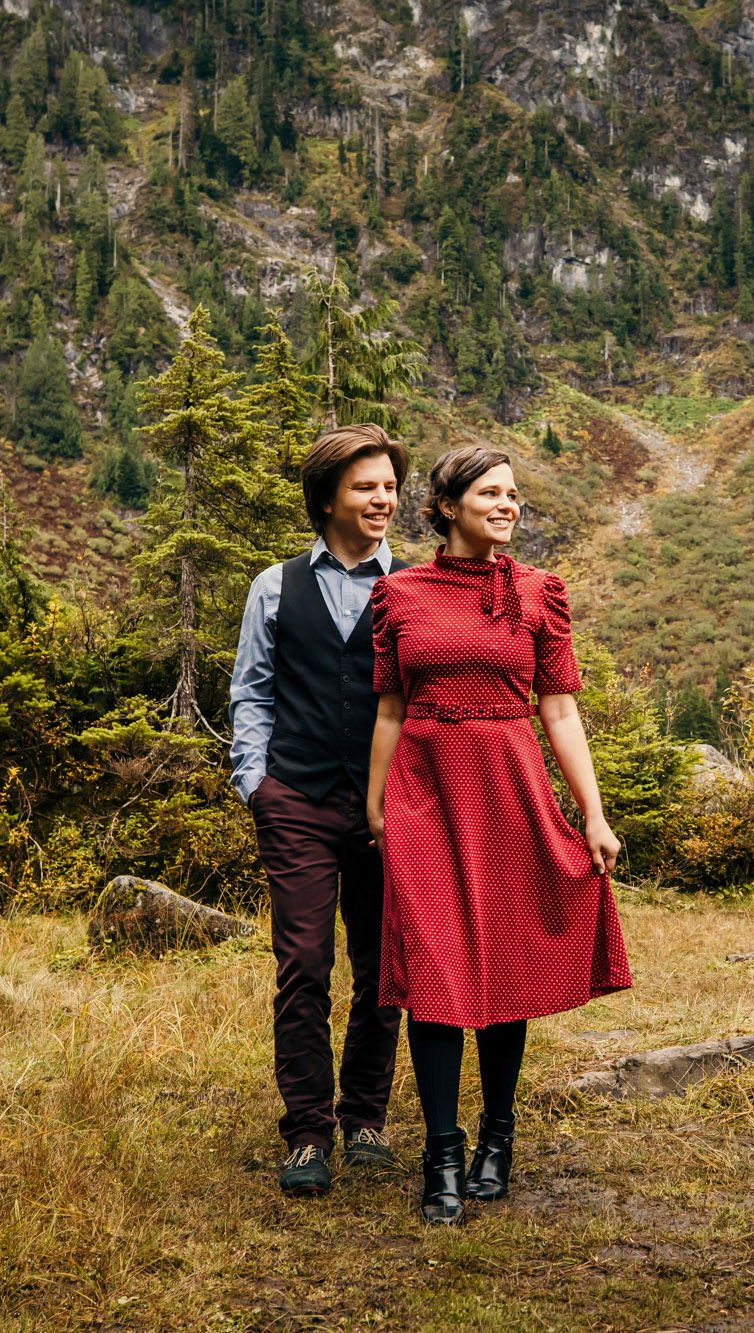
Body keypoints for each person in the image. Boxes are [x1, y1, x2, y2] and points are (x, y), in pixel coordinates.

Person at [365, 445, 632, 1225]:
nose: (509, 505)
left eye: (514, 494)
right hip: (423, 793)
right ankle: (441, 1152)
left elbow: (559, 709)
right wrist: (377, 803)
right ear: (447, 505)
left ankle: (498, 1137)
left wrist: (594, 812)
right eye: (491, 492)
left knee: (505, 962)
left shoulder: (540, 592)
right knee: (437, 971)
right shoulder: (399, 593)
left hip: (509, 789)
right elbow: (387, 707)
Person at [229, 423, 415, 1196]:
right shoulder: (274, 586)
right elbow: (252, 692)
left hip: (388, 810)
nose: (383, 499)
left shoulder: (413, 587)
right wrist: (258, 786)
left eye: (390, 487)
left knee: (382, 968)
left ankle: (365, 1114)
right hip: (297, 799)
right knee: (304, 965)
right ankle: (307, 1131)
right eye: (366, 486)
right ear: (328, 497)